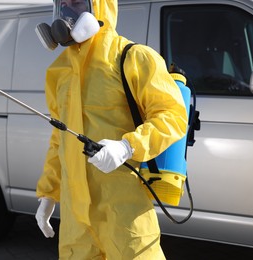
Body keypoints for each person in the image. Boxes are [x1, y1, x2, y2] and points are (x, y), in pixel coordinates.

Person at [34, 0, 188, 259]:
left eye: (78, 2)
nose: (69, 11)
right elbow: (59, 139)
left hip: (124, 213)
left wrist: (128, 147)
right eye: (63, 4)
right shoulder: (58, 72)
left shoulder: (132, 57)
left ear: (100, 6)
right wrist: (49, 194)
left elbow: (172, 115)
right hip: (76, 223)